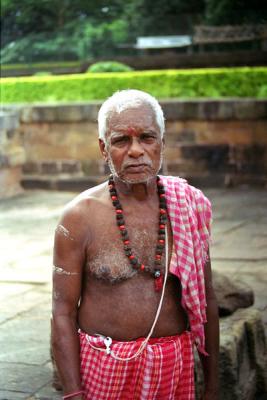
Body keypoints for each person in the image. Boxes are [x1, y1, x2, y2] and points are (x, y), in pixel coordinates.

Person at [51, 89, 219, 400]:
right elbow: (62, 311)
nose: (136, 151)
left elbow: (206, 299)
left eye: (146, 138)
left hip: (174, 368)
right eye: (121, 141)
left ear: (162, 143)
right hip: (104, 368)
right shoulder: (78, 217)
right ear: (104, 148)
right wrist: (73, 393)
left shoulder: (188, 207)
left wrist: (211, 386)